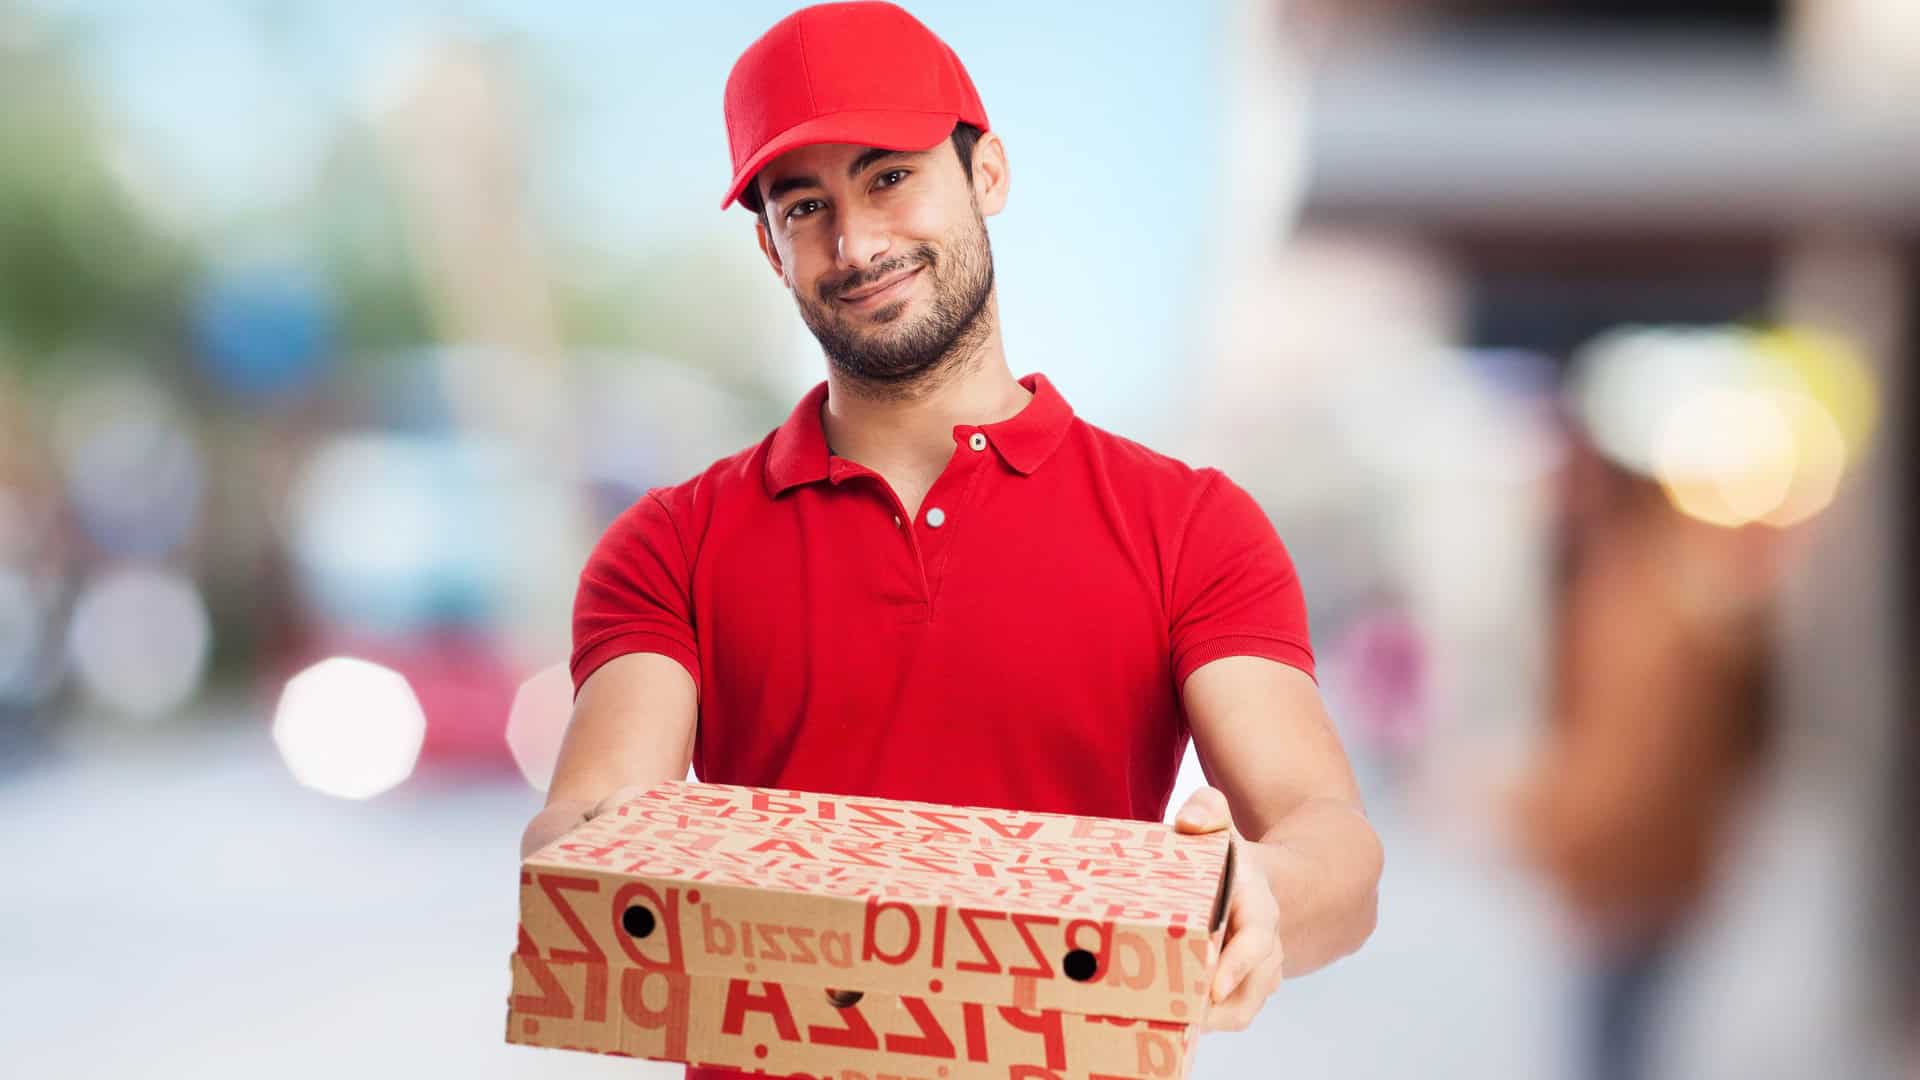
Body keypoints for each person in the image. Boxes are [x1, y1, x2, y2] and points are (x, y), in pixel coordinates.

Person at [520, 2, 1382, 1067]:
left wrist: (1257, 891)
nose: (857, 242)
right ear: (768, 247)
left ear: (988, 176)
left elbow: (1331, 846)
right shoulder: (670, 544)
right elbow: (592, 824)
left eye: (890, 177)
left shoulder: (1189, 524)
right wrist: (587, 872)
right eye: (805, 206)